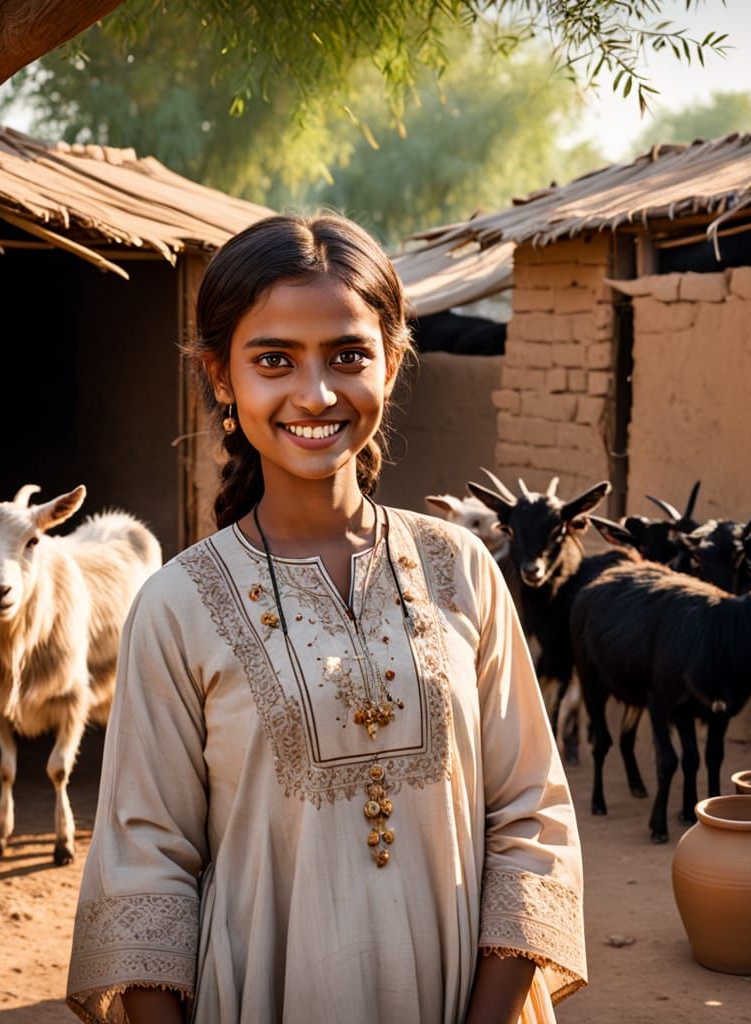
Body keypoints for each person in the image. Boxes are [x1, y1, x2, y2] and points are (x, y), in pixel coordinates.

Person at [65, 214, 587, 1024]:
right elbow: (144, 875)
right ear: (219, 375)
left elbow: (531, 819)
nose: (315, 394)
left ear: (392, 359)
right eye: (274, 360)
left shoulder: (461, 570)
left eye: (348, 355)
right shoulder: (177, 606)